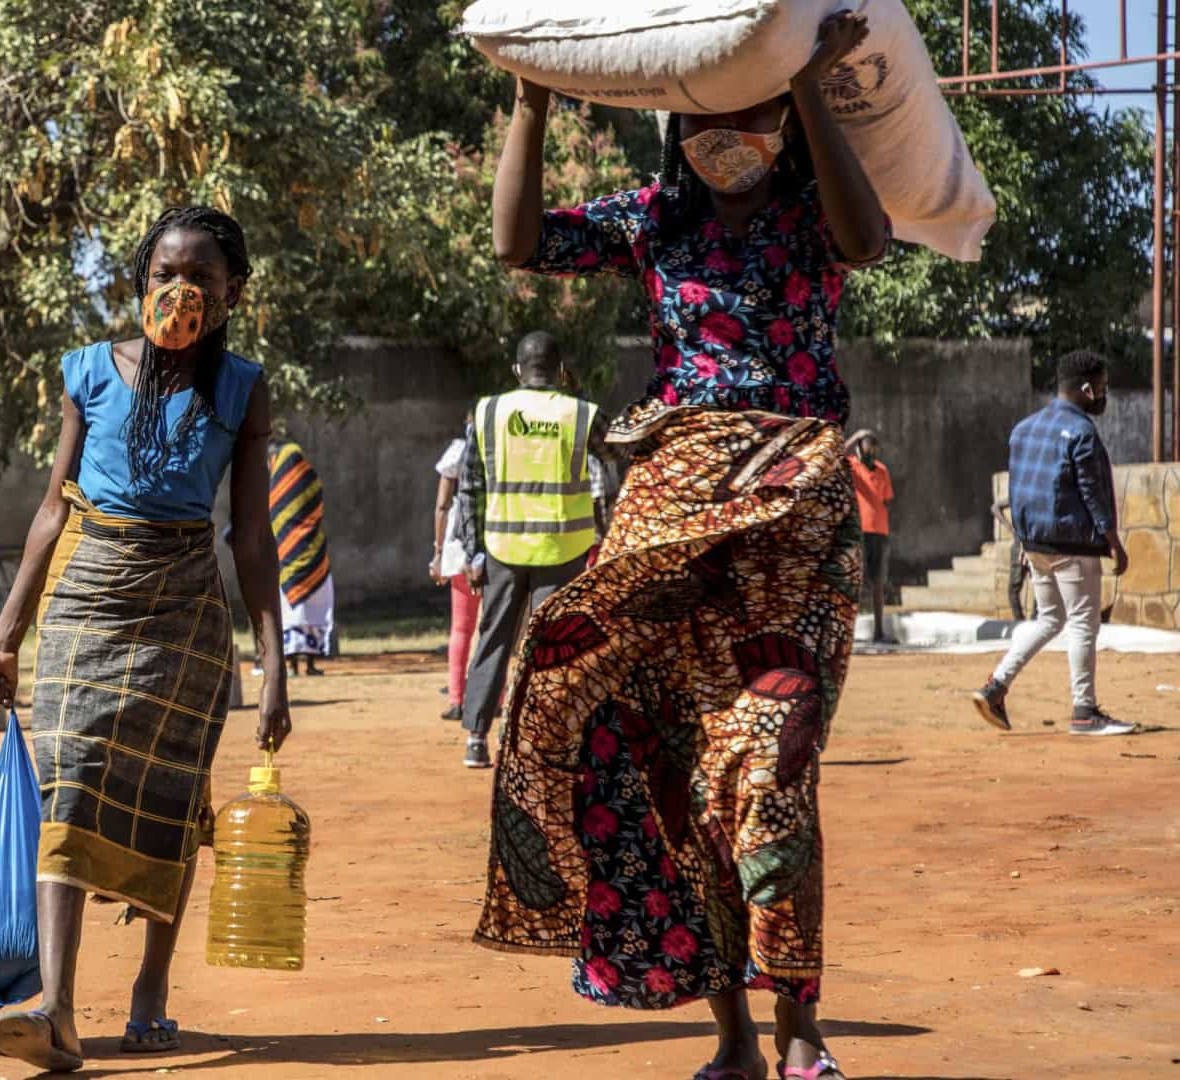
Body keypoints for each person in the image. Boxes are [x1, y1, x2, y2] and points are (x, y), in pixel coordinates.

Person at [475, 13, 890, 1080]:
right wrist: (531, 94)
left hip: (791, 520)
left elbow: (868, 241)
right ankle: (733, 1041)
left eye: (748, 106)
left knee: (774, 768)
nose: (725, 132)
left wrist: (803, 84)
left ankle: (804, 1031)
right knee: (671, 772)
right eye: (707, 111)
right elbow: (518, 243)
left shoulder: (812, 215)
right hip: (671, 517)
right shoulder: (653, 223)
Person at [0, 206, 292, 1074]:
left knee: (172, 799)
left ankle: (150, 990)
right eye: (165, 275)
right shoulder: (87, 371)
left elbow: (251, 537)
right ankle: (59, 1008)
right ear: (139, 279)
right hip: (86, 600)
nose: (180, 294)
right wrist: (4, 636)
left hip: (185, 613)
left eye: (202, 282)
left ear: (231, 297)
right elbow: (48, 512)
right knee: (68, 785)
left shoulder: (242, 387)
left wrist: (273, 664)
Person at [454, 331, 606, 770]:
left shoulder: (489, 412)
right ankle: (543, 738)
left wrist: (472, 551)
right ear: (560, 370)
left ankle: (476, 738)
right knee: (553, 646)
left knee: (494, 637)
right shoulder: (580, 414)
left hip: (502, 547)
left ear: (517, 370)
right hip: (563, 548)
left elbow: (470, 486)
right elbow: (620, 450)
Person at [971, 351, 1136, 736]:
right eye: (1102, 387)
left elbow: (1019, 489)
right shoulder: (1082, 433)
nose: (1104, 395)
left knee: (1050, 619)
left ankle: (995, 687)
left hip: (1035, 543)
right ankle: (1085, 711)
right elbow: (1093, 492)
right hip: (1073, 544)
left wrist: (1024, 542)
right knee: (1082, 623)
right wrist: (1113, 540)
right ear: (1086, 388)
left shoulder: (1023, 429)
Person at [269, 433, 334, 676]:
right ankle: (309, 664)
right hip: (313, 553)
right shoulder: (311, 479)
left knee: (294, 610)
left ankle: (293, 664)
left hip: (286, 557)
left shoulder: (274, 487)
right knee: (310, 609)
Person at [431, 415, 478, 721]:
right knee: (490, 628)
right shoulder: (501, 449)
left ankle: (457, 699)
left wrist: (437, 552)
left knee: (461, 627)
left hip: (459, 548)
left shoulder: (457, 452)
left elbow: (442, 506)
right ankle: (491, 698)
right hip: (496, 547)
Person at [845, 430, 894, 644]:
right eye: (867, 446)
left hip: (880, 533)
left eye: (874, 447)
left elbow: (886, 499)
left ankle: (879, 632)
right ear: (859, 448)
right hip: (860, 532)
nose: (871, 451)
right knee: (856, 582)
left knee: (877, 583)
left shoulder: (882, 470)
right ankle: (848, 634)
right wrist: (856, 436)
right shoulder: (853, 467)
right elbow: (837, 454)